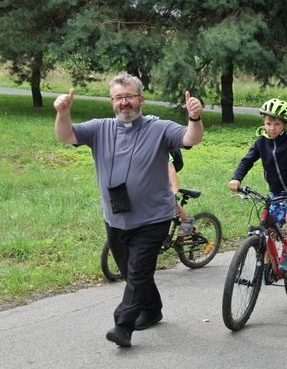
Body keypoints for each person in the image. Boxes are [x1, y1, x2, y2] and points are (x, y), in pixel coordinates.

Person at [53, 73, 204, 347]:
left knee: (137, 272)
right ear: (112, 101)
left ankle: (123, 326)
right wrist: (63, 113)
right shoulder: (100, 128)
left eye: (130, 96)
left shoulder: (159, 128)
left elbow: (190, 138)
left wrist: (194, 117)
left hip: (153, 217)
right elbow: (66, 135)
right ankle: (153, 309)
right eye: (119, 97)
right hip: (115, 217)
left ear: (140, 99)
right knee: (133, 271)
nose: (125, 103)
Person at [228, 99, 287, 272]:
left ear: (284, 125)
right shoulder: (261, 142)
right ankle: (267, 265)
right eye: (268, 123)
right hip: (275, 192)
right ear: (263, 122)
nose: (272, 128)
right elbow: (247, 161)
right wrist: (237, 178)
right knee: (265, 227)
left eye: (277, 124)